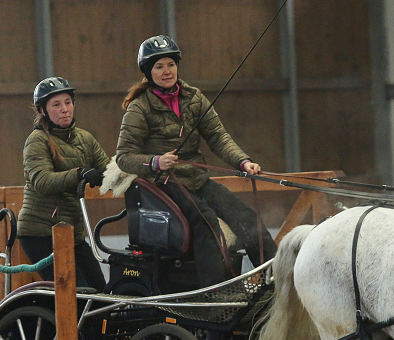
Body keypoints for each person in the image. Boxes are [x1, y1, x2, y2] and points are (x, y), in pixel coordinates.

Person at [116, 35, 278, 287]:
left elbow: (218, 136)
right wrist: (156, 162)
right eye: (159, 67)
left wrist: (243, 162)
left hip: (197, 178)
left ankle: (275, 280)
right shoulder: (138, 109)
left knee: (245, 216)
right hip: (165, 183)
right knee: (207, 223)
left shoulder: (194, 98)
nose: (166, 71)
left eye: (170, 64)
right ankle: (215, 291)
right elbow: (125, 157)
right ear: (148, 73)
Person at [17, 77, 109, 290]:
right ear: (43, 111)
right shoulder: (37, 140)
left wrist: (137, 171)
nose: (65, 109)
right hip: (40, 233)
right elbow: (43, 181)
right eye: (56, 105)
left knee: (100, 291)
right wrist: (80, 174)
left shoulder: (85, 139)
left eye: (68, 102)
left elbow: (107, 169)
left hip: (70, 232)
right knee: (75, 292)